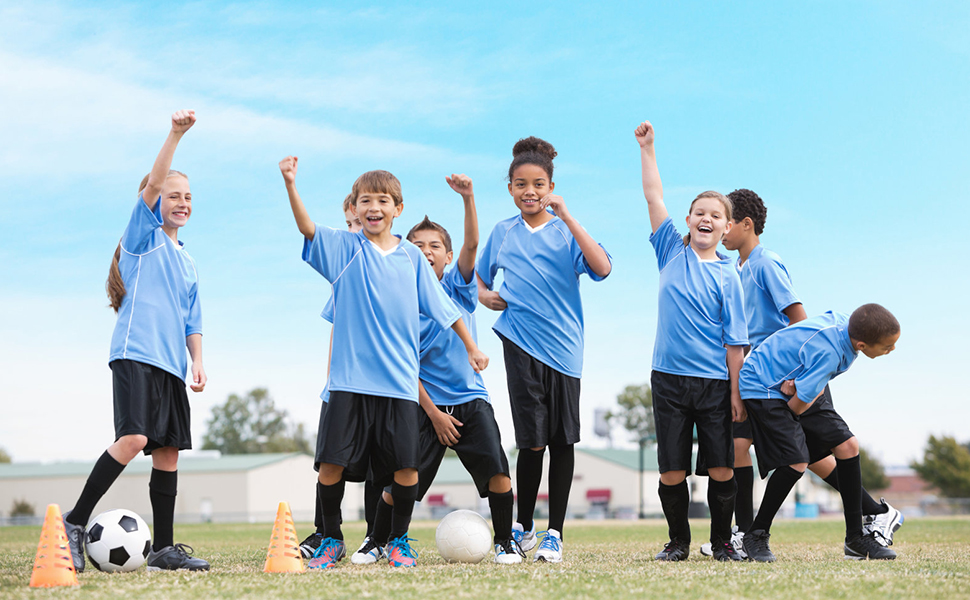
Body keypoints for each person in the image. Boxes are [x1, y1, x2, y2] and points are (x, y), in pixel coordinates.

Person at [280, 157, 488, 568]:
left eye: (383, 200)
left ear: (398, 208)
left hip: (398, 384)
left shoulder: (411, 257)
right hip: (348, 383)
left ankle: (398, 540)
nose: (374, 207)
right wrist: (291, 185)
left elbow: (444, 307)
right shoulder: (343, 249)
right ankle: (332, 537)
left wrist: (470, 347)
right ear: (354, 208)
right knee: (330, 465)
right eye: (365, 201)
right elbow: (307, 228)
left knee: (405, 468)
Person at [699, 189, 902, 557]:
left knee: (818, 454)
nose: (721, 230)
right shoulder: (738, 269)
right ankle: (746, 532)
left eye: (727, 222)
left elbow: (798, 320)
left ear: (746, 224)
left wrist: (800, 374)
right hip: (760, 377)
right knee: (748, 448)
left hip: (793, 373)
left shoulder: (765, 263)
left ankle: (874, 515)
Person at [62, 110, 210, 572]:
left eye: (188, 196)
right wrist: (176, 135)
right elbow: (152, 185)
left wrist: (198, 361)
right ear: (153, 201)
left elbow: (193, 318)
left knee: (167, 452)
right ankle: (75, 521)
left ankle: (164, 549)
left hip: (170, 366)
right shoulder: (141, 237)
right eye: (172, 195)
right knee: (133, 438)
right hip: (135, 356)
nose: (181, 202)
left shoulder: (188, 261)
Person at [359, 174, 525, 564]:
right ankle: (377, 540)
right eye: (418, 246)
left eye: (435, 246)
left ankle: (505, 541)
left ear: (447, 257)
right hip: (423, 404)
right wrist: (433, 415)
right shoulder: (397, 303)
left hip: (470, 399)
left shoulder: (459, 288)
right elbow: (402, 367)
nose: (427, 251)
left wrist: (469, 198)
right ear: (407, 254)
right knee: (400, 480)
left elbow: (471, 244)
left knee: (499, 473)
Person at [477, 137, 612, 563]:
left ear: (551, 186)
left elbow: (603, 269)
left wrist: (569, 216)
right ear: (511, 188)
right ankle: (525, 525)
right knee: (531, 442)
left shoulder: (566, 230)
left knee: (562, 442)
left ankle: (555, 532)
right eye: (520, 184)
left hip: (565, 350)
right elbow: (478, 281)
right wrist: (486, 296)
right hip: (519, 342)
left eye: (538, 184)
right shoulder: (502, 232)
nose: (529, 191)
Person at [635, 120, 748, 562]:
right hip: (668, 380)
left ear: (727, 228)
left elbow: (734, 343)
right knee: (672, 470)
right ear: (688, 220)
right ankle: (678, 542)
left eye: (715, 215)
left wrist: (737, 393)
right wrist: (648, 148)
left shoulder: (728, 276)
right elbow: (653, 195)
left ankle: (722, 542)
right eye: (699, 212)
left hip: (715, 384)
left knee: (721, 467)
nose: (706, 218)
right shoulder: (670, 252)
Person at [739, 304, 901, 561]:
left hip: (789, 380)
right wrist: (799, 396)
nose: (891, 350)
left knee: (848, 446)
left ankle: (856, 539)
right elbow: (797, 406)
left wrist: (801, 380)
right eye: (886, 347)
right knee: (796, 459)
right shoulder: (830, 354)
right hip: (762, 386)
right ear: (861, 345)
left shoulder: (847, 324)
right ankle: (755, 534)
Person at [298, 195, 384, 561]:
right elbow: (336, 332)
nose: (353, 231)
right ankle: (326, 532)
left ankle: (374, 536)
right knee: (331, 460)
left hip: (381, 385)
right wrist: (331, 380)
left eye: (357, 224)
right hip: (342, 384)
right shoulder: (344, 274)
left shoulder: (388, 268)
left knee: (376, 466)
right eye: (349, 225)